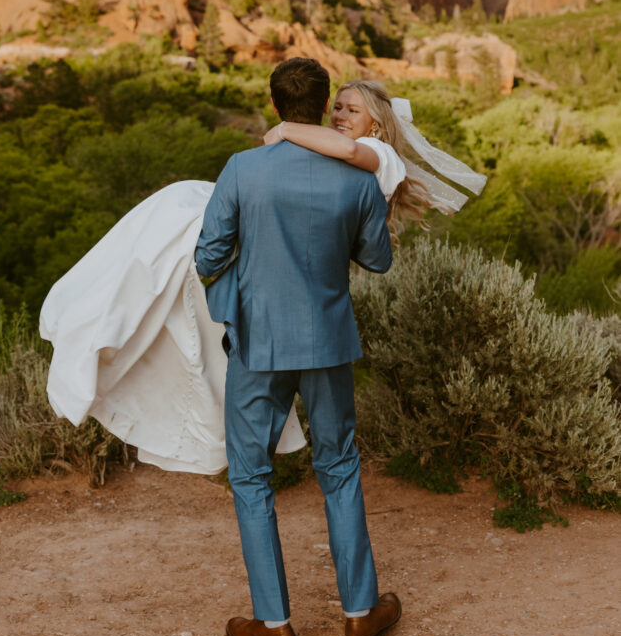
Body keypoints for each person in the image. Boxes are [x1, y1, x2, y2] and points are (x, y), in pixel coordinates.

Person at [41, 71, 485, 479]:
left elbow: (347, 155)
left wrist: (287, 129)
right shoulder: (345, 160)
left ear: (377, 124)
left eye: (353, 109)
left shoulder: (377, 155)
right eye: (338, 107)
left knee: (170, 228)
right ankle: (110, 308)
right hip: (305, 290)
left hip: (267, 274)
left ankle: (102, 317)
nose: (341, 115)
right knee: (167, 222)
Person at [194, 58, 400, 636]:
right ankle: (361, 614)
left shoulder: (243, 168)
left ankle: (274, 623)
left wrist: (239, 278)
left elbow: (208, 256)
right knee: (338, 466)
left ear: (277, 104)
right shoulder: (357, 179)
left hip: (259, 341)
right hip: (329, 341)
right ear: (320, 106)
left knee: (251, 474)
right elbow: (378, 260)